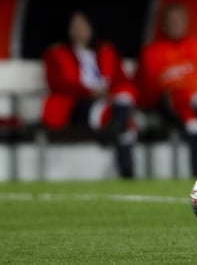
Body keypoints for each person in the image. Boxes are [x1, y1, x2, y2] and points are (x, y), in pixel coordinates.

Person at [134, 2, 197, 175]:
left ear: (186, 22)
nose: (176, 24)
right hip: (169, 107)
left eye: (180, 20)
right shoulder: (151, 52)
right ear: (163, 24)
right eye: (172, 20)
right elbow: (144, 90)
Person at [41, 10, 138, 178]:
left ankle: (114, 131)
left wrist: (108, 92)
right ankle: (127, 173)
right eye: (75, 26)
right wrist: (89, 91)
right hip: (75, 104)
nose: (79, 30)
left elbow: (121, 79)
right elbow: (57, 84)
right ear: (68, 29)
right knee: (125, 121)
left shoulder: (106, 50)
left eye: (83, 25)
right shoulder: (56, 53)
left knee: (125, 95)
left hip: (108, 101)